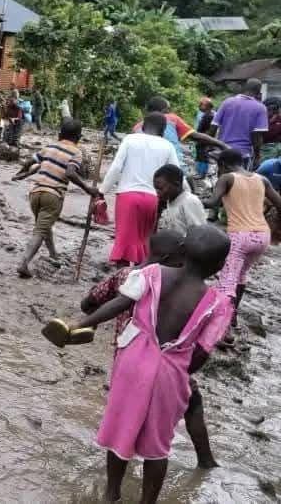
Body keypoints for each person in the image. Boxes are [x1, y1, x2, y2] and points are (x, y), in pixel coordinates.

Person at [43, 225, 233, 503]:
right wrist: (179, 371)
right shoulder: (219, 304)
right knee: (158, 445)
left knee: (121, 429)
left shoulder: (149, 274)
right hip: (170, 373)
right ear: (219, 266)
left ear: (180, 251)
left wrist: (79, 325)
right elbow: (203, 351)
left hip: (131, 361)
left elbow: (119, 304)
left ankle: (111, 494)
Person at [14, 118, 100, 278]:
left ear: (60, 134)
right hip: (53, 196)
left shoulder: (50, 147)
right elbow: (70, 173)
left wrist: (21, 173)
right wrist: (88, 188)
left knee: (43, 226)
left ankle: (53, 255)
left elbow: (31, 161)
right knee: (40, 229)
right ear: (79, 138)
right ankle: (24, 262)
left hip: (35, 193)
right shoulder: (76, 152)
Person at [202, 148, 281, 315]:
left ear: (222, 165)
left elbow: (213, 202)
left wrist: (196, 199)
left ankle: (223, 323)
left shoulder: (227, 178)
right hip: (262, 235)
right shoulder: (262, 179)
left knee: (227, 280)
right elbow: (279, 203)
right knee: (241, 275)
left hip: (240, 236)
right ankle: (233, 315)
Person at [100, 112, 182, 266]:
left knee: (124, 243)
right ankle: (138, 278)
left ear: (142, 126)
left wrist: (102, 190)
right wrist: (184, 197)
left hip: (127, 196)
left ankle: (121, 279)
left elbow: (116, 168)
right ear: (164, 130)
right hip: (152, 198)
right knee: (144, 242)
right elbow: (176, 173)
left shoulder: (130, 139)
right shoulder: (168, 146)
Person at [212, 79, 269, 169]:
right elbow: (257, 136)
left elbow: (214, 126)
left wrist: (211, 146)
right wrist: (257, 156)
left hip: (223, 151)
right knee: (239, 181)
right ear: (259, 91)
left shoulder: (227, 102)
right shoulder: (260, 108)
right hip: (243, 154)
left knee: (222, 180)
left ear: (245, 88)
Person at [154, 164, 206, 235]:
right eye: (156, 188)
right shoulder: (170, 201)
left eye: (160, 188)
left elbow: (200, 233)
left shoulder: (189, 201)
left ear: (177, 184)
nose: (157, 193)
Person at [194, 97, 216, 178]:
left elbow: (204, 128)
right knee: (201, 155)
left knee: (202, 155)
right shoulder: (211, 114)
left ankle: (202, 173)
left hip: (203, 138)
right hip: (205, 138)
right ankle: (200, 172)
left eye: (201, 104)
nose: (199, 106)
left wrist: (199, 137)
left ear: (206, 106)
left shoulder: (208, 115)